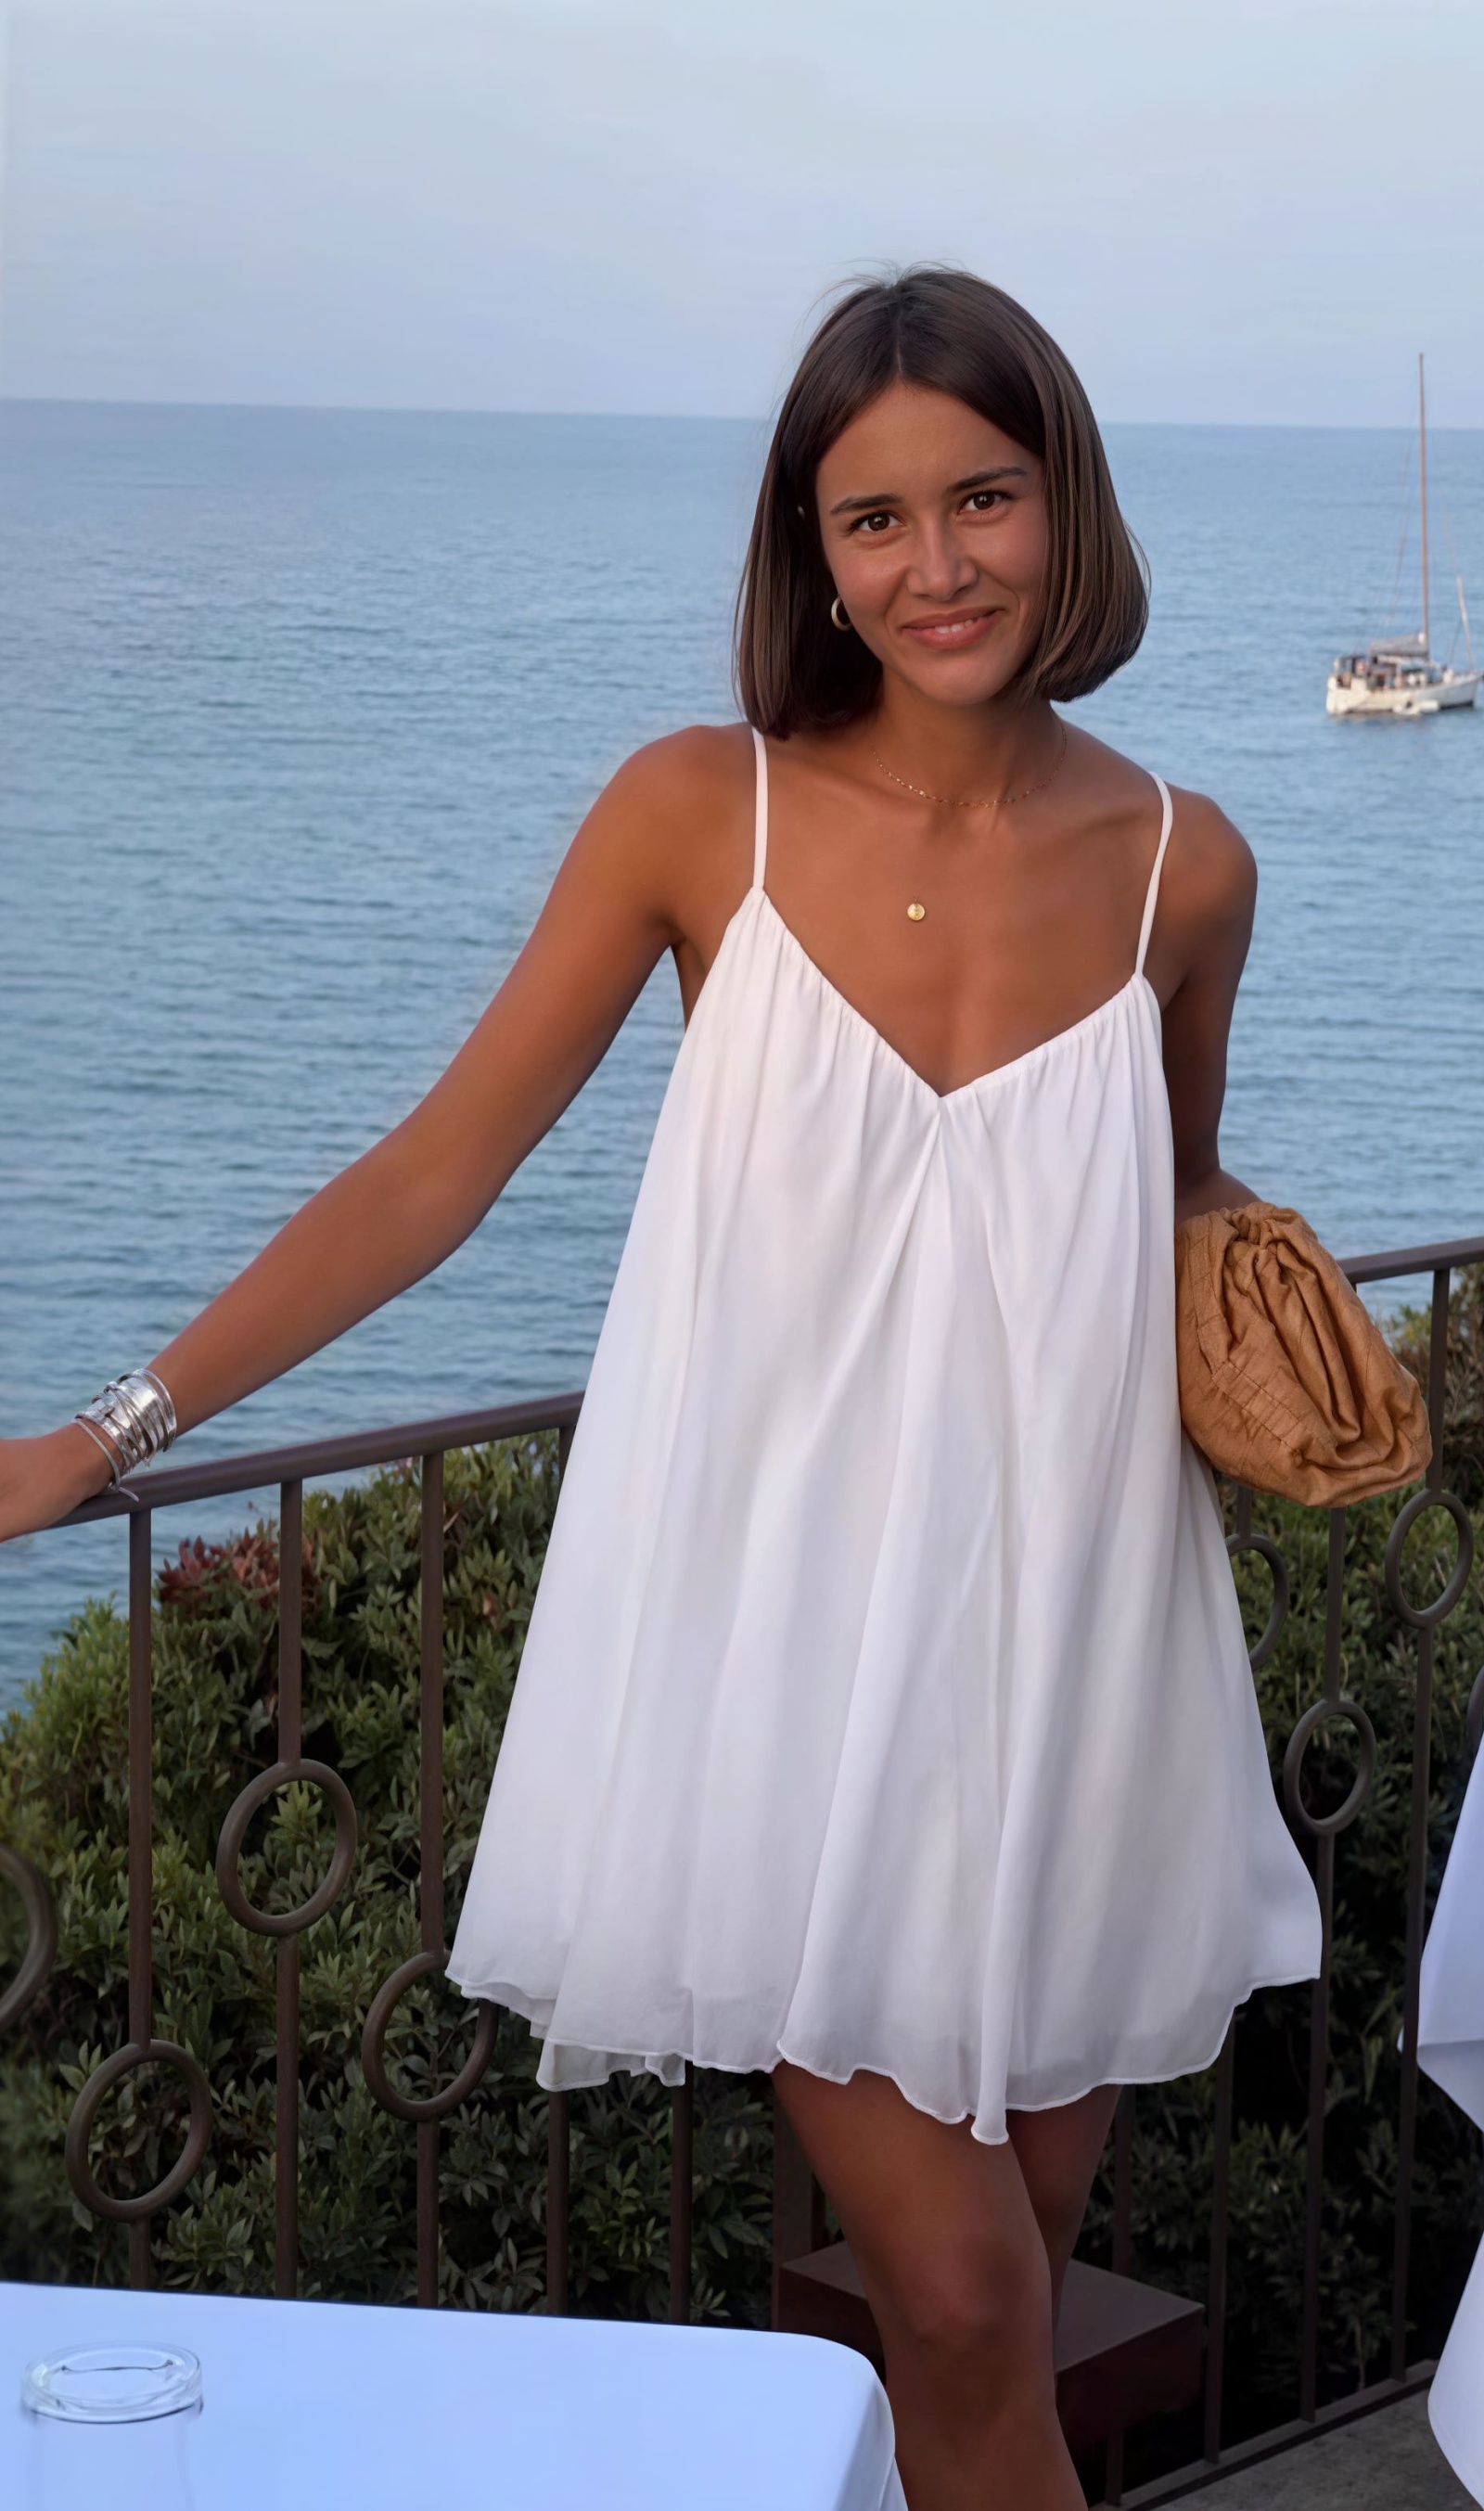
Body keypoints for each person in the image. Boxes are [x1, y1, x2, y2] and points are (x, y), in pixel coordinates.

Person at [0, 269, 1321, 2511]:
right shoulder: (706, 813)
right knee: (968, 2301)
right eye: (875, 518)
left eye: (985, 497)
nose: (937, 564)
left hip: (1084, 1661)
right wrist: (106, 1434)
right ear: (816, 552)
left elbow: (1174, 1185)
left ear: (1067, 502)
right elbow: (436, 1172)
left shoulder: (1186, 869)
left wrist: (1268, 1291)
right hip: (782, 1668)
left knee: (993, 2306)